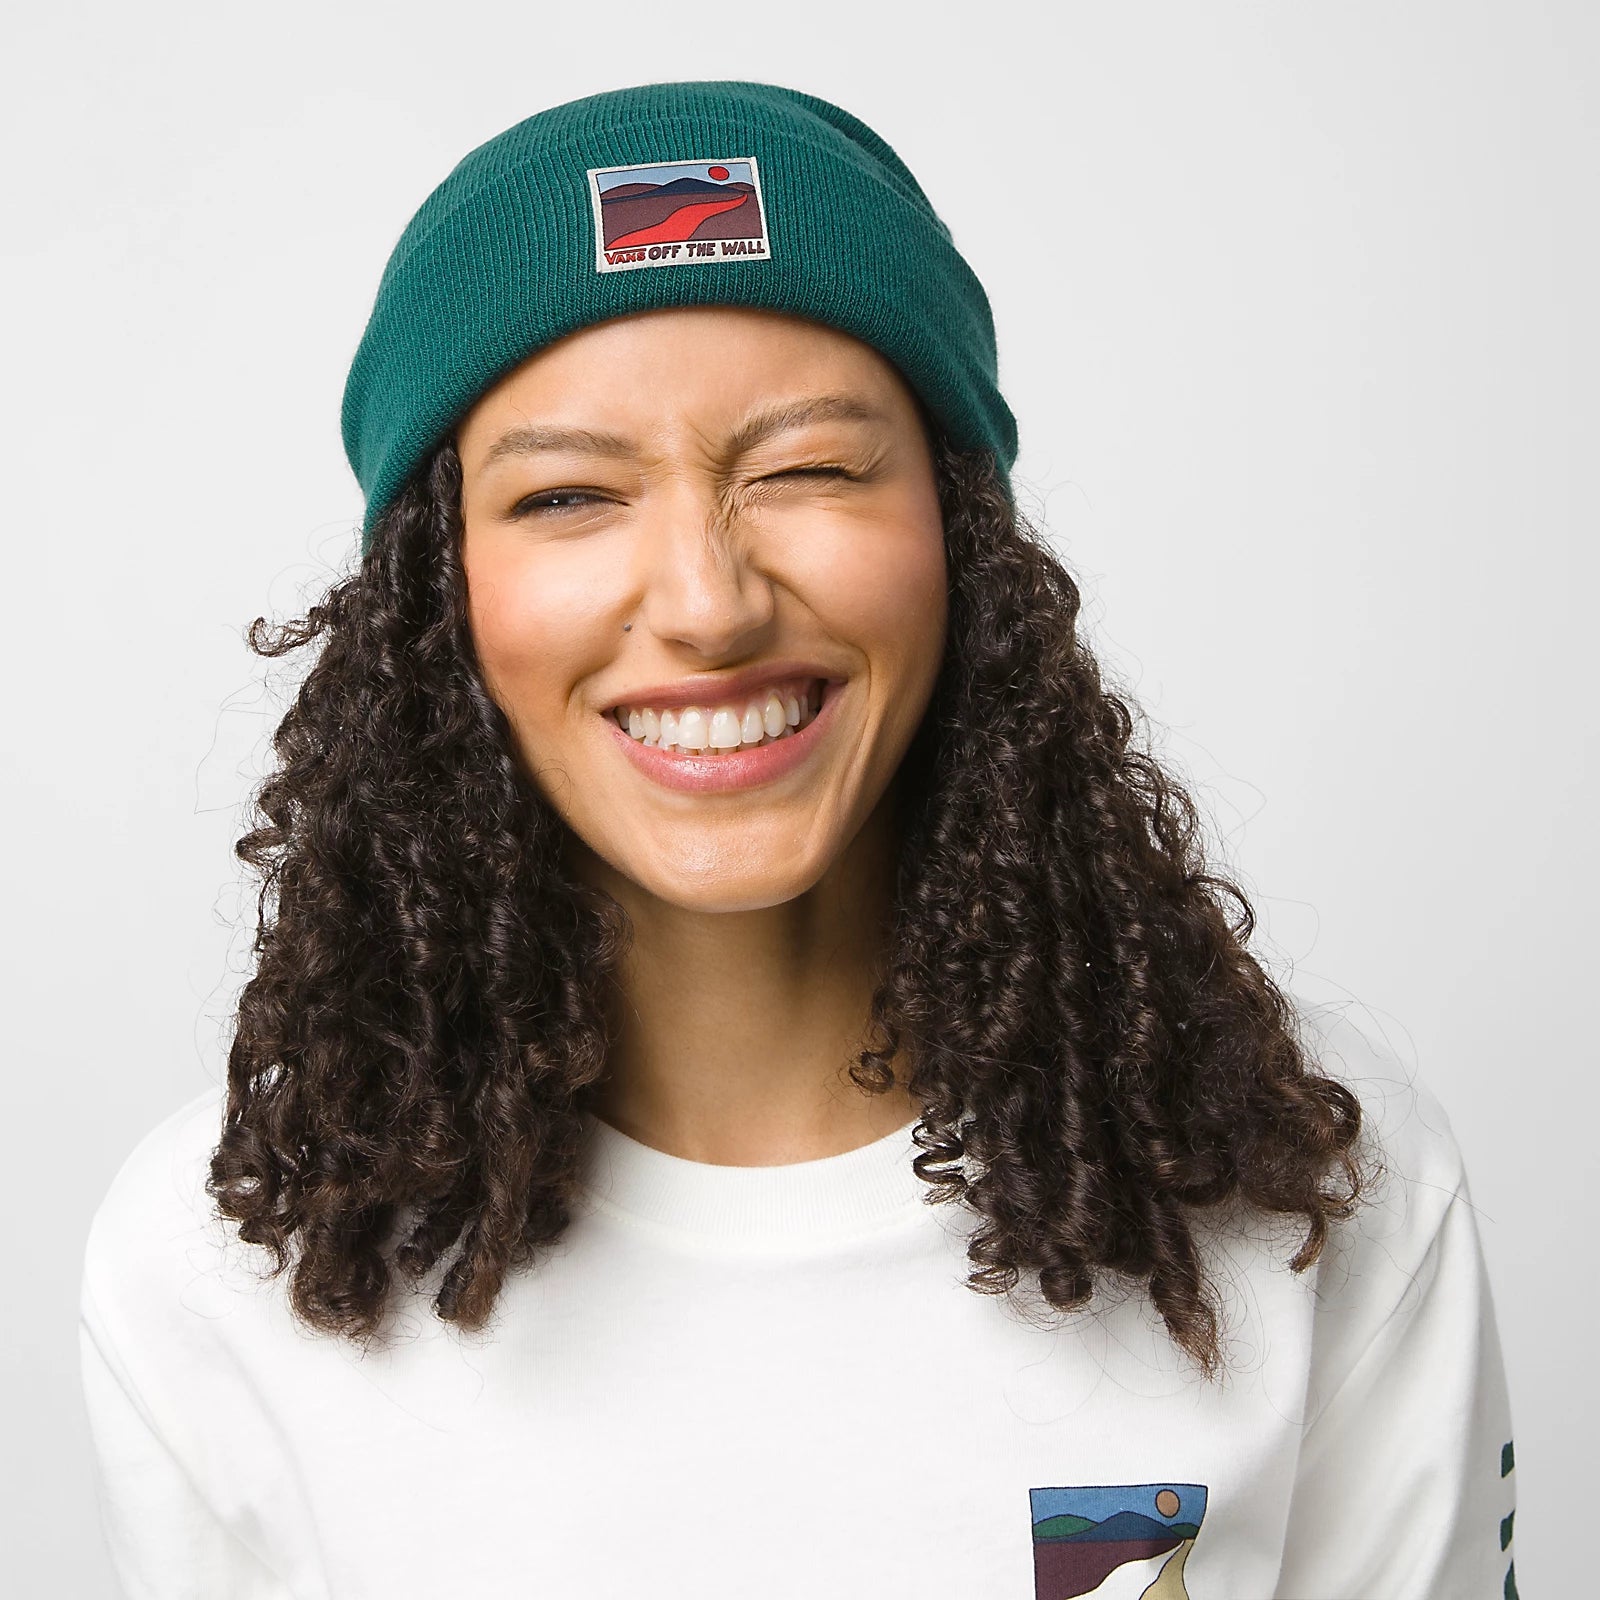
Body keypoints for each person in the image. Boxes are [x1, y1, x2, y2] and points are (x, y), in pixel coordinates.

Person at [77, 81, 1516, 1600]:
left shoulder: (1320, 1194)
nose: (708, 604)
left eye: (810, 469)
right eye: (567, 495)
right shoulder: (208, 1283)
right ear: (438, 603)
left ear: (961, 537)